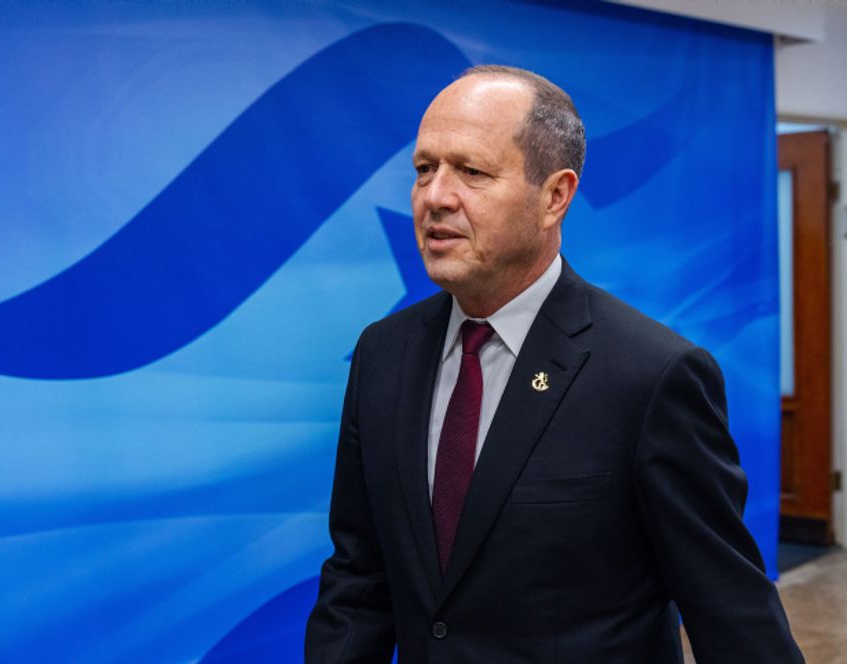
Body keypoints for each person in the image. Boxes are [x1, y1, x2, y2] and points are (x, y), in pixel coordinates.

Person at [304, 65, 803, 663]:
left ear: (555, 197)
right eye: (424, 169)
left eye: (471, 171)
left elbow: (732, 614)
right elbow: (359, 581)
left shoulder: (652, 375)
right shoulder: (384, 355)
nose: (435, 197)